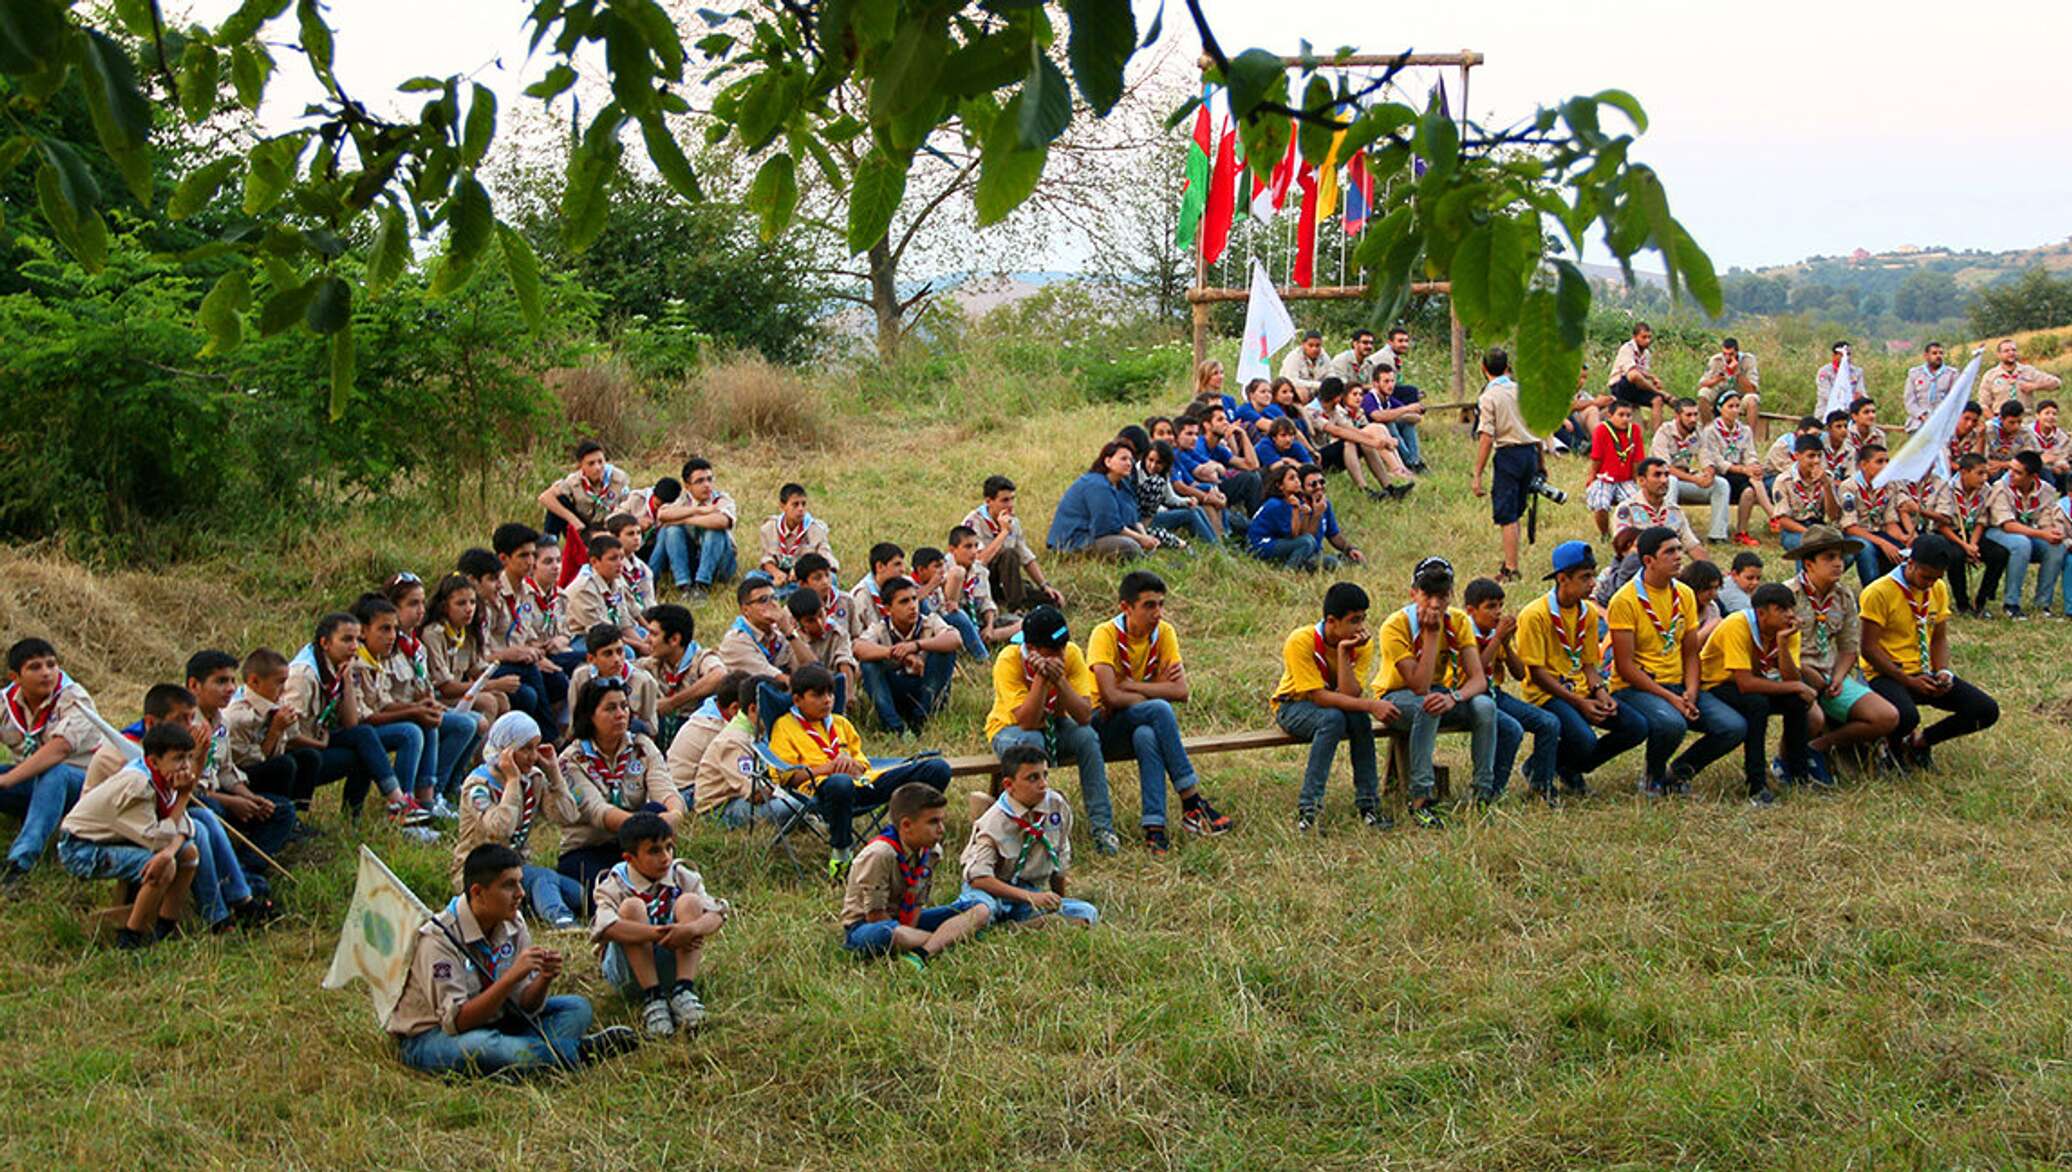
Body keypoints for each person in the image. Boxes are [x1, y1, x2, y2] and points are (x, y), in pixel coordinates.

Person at [388, 842, 639, 1076]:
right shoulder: (439, 939)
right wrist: (511, 977)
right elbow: (458, 1022)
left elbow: (524, 1005)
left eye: (520, 883)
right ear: (478, 892)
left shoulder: (512, 922)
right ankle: (564, 1052)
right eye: (509, 885)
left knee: (576, 1007)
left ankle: (543, 1056)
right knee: (486, 1046)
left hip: (498, 1019)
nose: (520, 893)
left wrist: (543, 979)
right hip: (434, 1035)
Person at [1086, 570, 1232, 854]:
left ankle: (1154, 828)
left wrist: (1132, 686)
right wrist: (1156, 686)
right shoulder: (1104, 634)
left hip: (1136, 720)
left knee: (1147, 736)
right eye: (1149, 605)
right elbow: (1109, 696)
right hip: (1101, 724)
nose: (1158, 613)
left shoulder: (1163, 632)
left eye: (1161, 604)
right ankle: (1192, 801)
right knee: (1160, 709)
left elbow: (1182, 692)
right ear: (1126, 608)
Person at [768, 664, 953, 879]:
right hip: (822, 790)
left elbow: (862, 761)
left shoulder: (841, 723)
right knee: (839, 782)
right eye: (817, 696)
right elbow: (785, 776)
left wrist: (854, 765)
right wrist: (827, 769)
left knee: (937, 768)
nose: (827, 700)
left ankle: (909, 837)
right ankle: (842, 854)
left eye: (830, 694)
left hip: (863, 783)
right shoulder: (785, 727)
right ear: (797, 700)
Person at [1607, 526, 1747, 796]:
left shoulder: (1683, 593)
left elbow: (1691, 652)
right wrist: (1671, 699)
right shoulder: (1624, 600)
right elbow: (1625, 667)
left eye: (1679, 549)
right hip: (1637, 687)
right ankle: (1653, 776)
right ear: (1649, 561)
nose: (1679, 556)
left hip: (1679, 685)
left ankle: (1679, 772)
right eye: (1669, 551)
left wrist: (1691, 691)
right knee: (1672, 723)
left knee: (1733, 727)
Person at [1516, 541, 1649, 798]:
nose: (1593, 583)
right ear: (1563, 579)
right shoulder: (1534, 615)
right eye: (1585, 577)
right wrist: (1579, 703)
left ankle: (1566, 766)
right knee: (1584, 739)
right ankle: (1537, 769)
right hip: (1548, 694)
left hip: (1580, 691)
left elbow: (1589, 664)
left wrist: (1600, 693)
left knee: (1636, 726)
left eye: (1593, 574)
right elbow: (1537, 674)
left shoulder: (1587, 612)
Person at [1373, 558, 1499, 826]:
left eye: (1442, 597)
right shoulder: (1395, 625)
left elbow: (1478, 680)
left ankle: (1483, 793)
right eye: (1427, 595)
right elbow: (1418, 685)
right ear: (1413, 594)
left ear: (1451, 595)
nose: (1434, 604)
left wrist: (1454, 697)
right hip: (1397, 695)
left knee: (1485, 706)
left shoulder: (1459, 621)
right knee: (1426, 706)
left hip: (1441, 692)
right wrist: (1431, 635)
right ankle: (1421, 798)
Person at [983, 605, 1118, 854]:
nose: (1061, 654)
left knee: (1087, 738)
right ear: (1032, 649)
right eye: (1053, 650)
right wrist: (1041, 680)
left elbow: (1084, 715)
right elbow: (1026, 721)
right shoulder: (1009, 660)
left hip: (1054, 724)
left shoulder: (1072, 654)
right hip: (1010, 730)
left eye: (1063, 647)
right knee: (1032, 742)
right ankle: (1032, 829)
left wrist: (1059, 679)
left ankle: (1102, 828)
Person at [1857, 534, 2000, 769]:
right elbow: (1869, 649)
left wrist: (1943, 671)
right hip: (1887, 673)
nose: (1930, 583)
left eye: (1936, 578)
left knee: (1985, 710)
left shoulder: (1938, 588)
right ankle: (1890, 752)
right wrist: (1908, 681)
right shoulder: (1878, 592)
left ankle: (1921, 743)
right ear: (1910, 563)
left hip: (1924, 671)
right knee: (1907, 715)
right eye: (1926, 576)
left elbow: (1939, 638)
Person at [55, 721, 200, 948]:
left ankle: (165, 924)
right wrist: (183, 799)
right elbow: (156, 840)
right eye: (178, 758)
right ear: (153, 760)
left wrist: (170, 851)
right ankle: (132, 937)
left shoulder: (164, 778)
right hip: (80, 848)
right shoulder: (138, 784)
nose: (186, 766)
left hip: (119, 839)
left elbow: (186, 827)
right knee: (164, 867)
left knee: (189, 853)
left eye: (189, 757)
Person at [282, 613, 430, 827]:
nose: (354, 647)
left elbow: (351, 724)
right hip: (300, 754)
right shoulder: (304, 675)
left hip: (317, 741)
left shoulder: (339, 666)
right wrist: (319, 744)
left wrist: (347, 681)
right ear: (325, 643)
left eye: (357, 640)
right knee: (371, 740)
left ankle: (357, 817)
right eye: (346, 640)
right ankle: (398, 804)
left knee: (364, 738)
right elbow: (288, 735)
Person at [589, 812, 727, 1036]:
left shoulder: (681, 875)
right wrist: (657, 934)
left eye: (669, 847)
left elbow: (718, 913)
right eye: (654, 851)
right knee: (631, 908)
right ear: (630, 858)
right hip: (628, 973)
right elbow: (606, 927)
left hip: (672, 962)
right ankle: (653, 999)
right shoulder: (613, 883)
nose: (665, 857)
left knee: (691, 902)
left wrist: (690, 929)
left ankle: (684, 991)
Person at [1275, 581, 1398, 832]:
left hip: (1335, 707)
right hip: (1293, 707)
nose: (1361, 627)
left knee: (1358, 720)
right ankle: (1309, 809)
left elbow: (1350, 693)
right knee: (1333, 718)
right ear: (1331, 621)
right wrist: (1371, 705)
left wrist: (1343, 652)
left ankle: (1369, 806)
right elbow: (1319, 697)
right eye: (1354, 620)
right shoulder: (1301, 640)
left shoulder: (1360, 644)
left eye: (1363, 619)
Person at [453, 711, 594, 927]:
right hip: (482, 873)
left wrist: (554, 773)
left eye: (536, 747)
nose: (534, 756)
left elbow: (568, 816)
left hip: (517, 869)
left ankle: (533, 906)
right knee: (542, 878)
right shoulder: (478, 785)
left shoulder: (532, 779)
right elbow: (500, 829)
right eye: (526, 749)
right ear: (505, 750)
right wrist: (511, 781)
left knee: (580, 895)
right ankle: (561, 921)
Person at [351, 594, 481, 821]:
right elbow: (364, 717)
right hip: (357, 733)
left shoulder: (378, 657)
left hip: (382, 720)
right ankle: (404, 807)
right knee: (411, 731)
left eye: (393, 629)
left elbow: (383, 703)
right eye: (384, 629)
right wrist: (414, 711)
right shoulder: (357, 663)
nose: (391, 636)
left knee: (439, 721)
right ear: (363, 631)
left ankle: (429, 799)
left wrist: (420, 707)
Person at [1780, 526, 1901, 768]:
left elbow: (1848, 647)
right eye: (1829, 558)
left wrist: (1837, 677)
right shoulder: (1786, 596)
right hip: (1791, 673)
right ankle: (1785, 762)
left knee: (1887, 716)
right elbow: (1775, 649)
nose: (1838, 563)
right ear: (1809, 564)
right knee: (1812, 717)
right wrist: (1807, 672)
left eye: (1840, 557)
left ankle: (1819, 747)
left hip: (1830, 675)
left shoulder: (1844, 596)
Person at [840, 782, 990, 968]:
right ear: (906, 825)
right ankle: (946, 941)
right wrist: (939, 934)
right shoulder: (880, 854)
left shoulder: (932, 852)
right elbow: (875, 915)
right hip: (867, 928)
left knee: (979, 909)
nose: (941, 829)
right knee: (893, 933)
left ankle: (924, 949)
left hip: (906, 919)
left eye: (941, 821)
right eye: (933, 822)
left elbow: (917, 902)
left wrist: (912, 930)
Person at [1701, 582, 1821, 804]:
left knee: (1796, 702)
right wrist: (1797, 686)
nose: (1790, 615)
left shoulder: (1787, 631)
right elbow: (1745, 684)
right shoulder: (1737, 624)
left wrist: (1783, 644)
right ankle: (1756, 784)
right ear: (1761, 613)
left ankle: (1799, 775)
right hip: (1716, 684)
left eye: (1791, 609)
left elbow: (1791, 679)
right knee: (1757, 704)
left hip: (1755, 682)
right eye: (1782, 609)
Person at [557, 678, 682, 893]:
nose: (621, 714)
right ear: (590, 715)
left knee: (657, 811)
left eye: (624, 706)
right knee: (603, 891)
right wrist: (646, 828)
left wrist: (675, 814)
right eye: (610, 708)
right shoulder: (572, 759)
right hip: (589, 847)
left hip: (634, 843)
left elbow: (665, 788)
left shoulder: (641, 746)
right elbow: (597, 811)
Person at [955, 746, 1098, 928]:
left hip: (1027, 892)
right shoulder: (993, 822)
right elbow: (978, 879)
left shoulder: (1056, 807)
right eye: (1033, 778)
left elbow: (1059, 861)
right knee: (982, 911)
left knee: (1086, 913)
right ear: (1009, 785)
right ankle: (1005, 925)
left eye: (1045, 775)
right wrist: (1031, 897)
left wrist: (1057, 901)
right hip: (989, 892)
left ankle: (1014, 927)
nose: (1043, 784)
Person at [185, 649, 303, 860]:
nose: (230, 689)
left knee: (282, 810)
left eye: (232, 681)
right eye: (221, 681)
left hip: (218, 791)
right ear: (194, 686)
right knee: (212, 811)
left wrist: (250, 797)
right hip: (194, 802)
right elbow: (189, 791)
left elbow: (226, 771)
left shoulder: (221, 722)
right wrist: (232, 803)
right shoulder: (185, 725)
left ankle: (248, 866)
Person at [1, 637, 100, 884]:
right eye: (35, 667)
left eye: (51, 664)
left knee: (54, 772)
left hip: (85, 789)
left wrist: (6, 780)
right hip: (33, 784)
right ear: (15, 677)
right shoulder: (6, 702)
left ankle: (19, 864)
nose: (46, 673)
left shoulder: (75, 698)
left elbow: (60, 749)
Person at [1462, 576, 1562, 806]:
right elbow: (1474, 672)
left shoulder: (1495, 634)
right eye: (1490, 607)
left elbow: (1519, 674)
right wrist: (1497, 639)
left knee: (1549, 722)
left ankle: (1541, 786)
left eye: (1500, 606)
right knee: (1512, 730)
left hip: (1495, 693)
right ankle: (1490, 792)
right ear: (1471, 610)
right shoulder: (1464, 632)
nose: (1497, 612)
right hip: (1471, 696)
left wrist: (1506, 643)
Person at [689, 674, 806, 828]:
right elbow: (755, 793)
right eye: (773, 711)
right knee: (794, 807)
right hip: (720, 809)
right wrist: (781, 792)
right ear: (753, 709)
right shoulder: (734, 741)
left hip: (743, 798)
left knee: (799, 802)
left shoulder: (757, 732)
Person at [1471, 347, 1544, 582]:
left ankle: (1511, 568)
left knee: (1507, 515)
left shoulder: (1488, 397)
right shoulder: (1523, 391)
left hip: (1508, 455)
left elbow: (1486, 436)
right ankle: (1511, 560)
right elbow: (1537, 427)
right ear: (1507, 368)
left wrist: (1477, 473)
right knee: (1516, 510)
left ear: (1483, 368)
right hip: (1530, 453)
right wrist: (1541, 461)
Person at [854, 576, 960, 736]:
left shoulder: (929, 621)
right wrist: (895, 653)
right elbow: (858, 647)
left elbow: (955, 639)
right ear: (888, 609)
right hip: (896, 692)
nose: (912, 606)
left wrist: (916, 645)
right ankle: (895, 727)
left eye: (914, 599)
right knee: (869, 664)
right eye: (904, 602)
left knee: (945, 651)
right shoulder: (880, 628)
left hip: (927, 691)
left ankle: (921, 720)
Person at [422, 572, 529, 726]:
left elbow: (478, 671)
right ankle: (480, 750)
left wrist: (499, 683)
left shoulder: (468, 632)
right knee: (488, 702)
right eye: (461, 603)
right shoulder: (434, 634)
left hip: (457, 693)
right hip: (437, 697)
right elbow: (446, 688)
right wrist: (495, 684)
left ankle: (498, 744)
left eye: (472, 602)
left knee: (501, 698)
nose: (469, 609)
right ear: (445, 607)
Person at [717, 577, 817, 732]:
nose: (772, 604)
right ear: (745, 610)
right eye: (763, 600)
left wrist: (790, 632)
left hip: (776, 700)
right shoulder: (736, 640)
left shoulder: (778, 633)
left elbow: (812, 667)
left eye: (774, 598)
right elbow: (774, 680)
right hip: (745, 712)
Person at [962, 475, 1065, 612]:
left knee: (1051, 601)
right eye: (1004, 500)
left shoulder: (1012, 521)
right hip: (977, 581)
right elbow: (979, 561)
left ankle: (1015, 599)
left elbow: (1026, 557)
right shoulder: (973, 522)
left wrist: (1045, 585)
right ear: (989, 501)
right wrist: (1003, 533)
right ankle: (1016, 608)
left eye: (1012, 499)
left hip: (1005, 581)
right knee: (1008, 554)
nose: (1010, 505)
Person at [1982, 451, 2066, 620]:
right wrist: (2042, 533)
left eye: (2018, 472)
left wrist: (2053, 533)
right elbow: (2008, 525)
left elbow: (2046, 522)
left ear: (2033, 476)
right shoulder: (2001, 487)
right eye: (2011, 469)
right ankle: (2011, 603)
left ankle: (2043, 604)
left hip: (2029, 533)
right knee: (2021, 544)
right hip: (1998, 533)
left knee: (2056, 547)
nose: (2011, 475)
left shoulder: (2046, 490)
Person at [1306, 377, 1413, 501]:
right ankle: (1364, 490)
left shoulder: (1333, 410)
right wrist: (1374, 441)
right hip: (1317, 457)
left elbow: (1352, 429)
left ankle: (1389, 487)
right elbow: (1337, 431)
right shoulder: (1312, 411)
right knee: (1349, 442)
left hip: (1329, 451)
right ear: (1337, 397)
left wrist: (1376, 442)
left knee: (1363, 443)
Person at [639, 603, 728, 750]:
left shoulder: (700, 658)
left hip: (695, 738)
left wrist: (672, 703)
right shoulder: (655, 662)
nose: (647, 640)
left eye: (653, 634)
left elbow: (719, 675)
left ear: (674, 639)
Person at [1046, 441, 1157, 559]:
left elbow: (1132, 517)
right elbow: (1110, 526)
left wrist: (1144, 536)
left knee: (1136, 540)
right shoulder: (1097, 485)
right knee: (1130, 546)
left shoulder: (1122, 483)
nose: (1129, 463)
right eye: (1123, 459)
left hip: (1096, 534)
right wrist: (1140, 539)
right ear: (1108, 461)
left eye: (1131, 460)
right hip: (1074, 541)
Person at [1934, 454, 2011, 617]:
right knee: (1956, 555)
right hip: (1950, 532)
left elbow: (1981, 521)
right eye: (1979, 473)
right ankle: (1962, 603)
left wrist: (1973, 545)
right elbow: (1941, 524)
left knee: (1999, 553)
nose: (1984, 478)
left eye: (1986, 473)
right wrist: (1965, 546)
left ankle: (1982, 600)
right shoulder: (1946, 488)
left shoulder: (1985, 490)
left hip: (1972, 532)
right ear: (1964, 472)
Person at [649, 457, 738, 597]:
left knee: (714, 531)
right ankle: (684, 585)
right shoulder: (683, 499)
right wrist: (698, 511)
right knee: (671, 531)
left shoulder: (721, 499)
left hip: (721, 566)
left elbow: (721, 521)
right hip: (694, 562)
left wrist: (684, 519)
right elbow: (663, 514)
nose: (707, 485)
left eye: (709, 479)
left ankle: (702, 586)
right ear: (687, 486)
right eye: (700, 481)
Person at [1653, 397, 1733, 545]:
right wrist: (1695, 480)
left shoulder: (1697, 433)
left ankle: (1718, 535)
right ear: (1677, 416)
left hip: (1686, 479)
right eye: (1688, 415)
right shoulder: (1664, 432)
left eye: (1695, 414)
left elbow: (1706, 457)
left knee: (1721, 484)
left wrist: (1709, 474)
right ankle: (1669, 534)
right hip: (1663, 483)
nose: (1693, 419)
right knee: (1670, 481)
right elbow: (1665, 468)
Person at [565, 623, 662, 737]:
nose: (616, 659)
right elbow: (575, 723)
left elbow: (651, 729)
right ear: (591, 659)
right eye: (608, 654)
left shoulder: (643, 681)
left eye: (620, 651)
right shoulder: (581, 677)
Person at [536, 440, 631, 552]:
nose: (598, 467)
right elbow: (544, 497)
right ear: (581, 466)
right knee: (558, 501)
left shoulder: (618, 478)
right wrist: (573, 520)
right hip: (583, 527)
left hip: (609, 527)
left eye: (601, 461)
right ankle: (549, 548)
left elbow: (628, 506)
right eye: (591, 464)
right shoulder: (574, 481)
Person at [1707, 393, 1772, 546]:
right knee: (1752, 478)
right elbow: (1717, 462)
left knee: (1750, 489)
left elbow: (1750, 453)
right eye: (1730, 406)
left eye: (1737, 406)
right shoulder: (1710, 431)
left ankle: (1742, 532)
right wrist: (1744, 469)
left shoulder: (1745, 430)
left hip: (1742, 474)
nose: (1735, 410)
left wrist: (1753, 466)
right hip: (1721, 474)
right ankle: (1773, 514)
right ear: (1720, 409)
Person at [942, 527, 1019, 655]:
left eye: (976, 546)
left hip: (978, 621)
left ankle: (987, 637)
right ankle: (973, 642)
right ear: (952, 549)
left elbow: (986, 602)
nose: (973, 551)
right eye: (967, 547)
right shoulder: (944, 570)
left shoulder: (980, 570)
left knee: (1023, 623)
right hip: (954, 623)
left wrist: (989, 627)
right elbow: (944, 608)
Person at [1614, 459, 1710, 561]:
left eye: (1666, 475)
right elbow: (1624, 548)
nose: (1664, 480)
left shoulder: (1674, 511)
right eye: (1657, 475)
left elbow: (1692, 546)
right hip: (1637, 569)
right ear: (1642, 481)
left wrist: (1711, 571)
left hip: (1669, 570)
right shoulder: (1627, 509)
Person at [785, 589, 859, 716]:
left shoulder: (838, 633)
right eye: (810, 621)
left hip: (830, 690)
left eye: (821, 615)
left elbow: (844, 662)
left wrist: (849, 693)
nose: (819, 623)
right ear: (797, 622)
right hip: (802, 694)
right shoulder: (790, 640)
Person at [1134, 438, 1219, 545]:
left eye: (1159, 463)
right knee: (1190, 515)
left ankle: (1216, 542)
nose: (1153, 466)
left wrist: (1187, 501)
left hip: (1155, 514)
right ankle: (1214, 546)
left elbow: (1170, 498)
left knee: (1196, 509)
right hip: (1141, 520)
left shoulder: (1162, 475)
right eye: (1150, 460)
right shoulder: (1136, 473)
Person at [755, 482, 836, 591]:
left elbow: (826, 559)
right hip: (779, 576)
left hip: (805, 578)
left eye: (803, 504)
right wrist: (776, 573)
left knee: (831, 579)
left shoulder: (816, 529)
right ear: (782, 506)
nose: (801, 509)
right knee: (752, 577)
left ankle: (780, 593)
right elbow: (767, 558)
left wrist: (801, 572)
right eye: (795, 504)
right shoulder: (769, 528)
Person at [1245, 464, 1324, 571]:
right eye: (1292, 478)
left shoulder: (1295, 501)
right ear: (1280, 485)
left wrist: (1305, 515)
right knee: (1307, 542)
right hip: (1260, 545)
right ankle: (1288, 571)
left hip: (1277, 543)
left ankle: (1299, 565)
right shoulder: (1275, 504)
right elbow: (1293, 535)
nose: (1297, 481)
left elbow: (1303, 533)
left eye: (1297, 478)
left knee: (1325, 559)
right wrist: (1296, 510)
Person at [1586, 399, 1645, 540]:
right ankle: (1605, 534)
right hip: (1605, 478)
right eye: (1621, 415)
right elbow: (1596, 458)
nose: (1625, 419)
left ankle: (1639, 533)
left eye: (1629, 415)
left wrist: (1637, 480)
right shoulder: (1601, 430)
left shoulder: (1635, 430)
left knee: (1638, 505)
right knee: (1601, 505)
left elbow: (1638, 459)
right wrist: (1592, 477)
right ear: (1610, 415)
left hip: (1625, 479)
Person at [1771, 435, 1840, 552]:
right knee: (1808, 547)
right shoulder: (1784, 480)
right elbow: (1782, 519)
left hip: (1819, 526)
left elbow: (1833, 516)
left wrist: (1827, 486)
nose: (1816, 461)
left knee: (1843, 552)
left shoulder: (1827, 477)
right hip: (1794, 529)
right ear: (1797, 456)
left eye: (1819, 455)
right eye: (1811, 456)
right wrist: (1809, 533)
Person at [1359, 365, 1429, 473]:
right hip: (1371, 438)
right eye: (1386, 381)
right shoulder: (1369, 398)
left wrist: (1401, 414)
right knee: (1389, 422)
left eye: (1392, 381)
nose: (1390, 385)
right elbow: (1378, 416)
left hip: (1387, 437)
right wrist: (1405, 409)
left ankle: (1414, 460)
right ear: (1375, 383)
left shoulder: (1388, 399)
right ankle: (1410, 461)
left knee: (1407, 423)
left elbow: (1416, 418)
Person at [1978, 337, 2063, 416]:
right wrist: (1995, 421)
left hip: (2025, 418)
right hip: (2001, 418)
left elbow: (2056, 383)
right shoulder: (1990, 376)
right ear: (1999, 354)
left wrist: (2034, 386)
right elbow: (1983, 404)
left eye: (2014, 350)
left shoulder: (2028, 371)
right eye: (2006, 351)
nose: (2011, 353)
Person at [1608, 321, 1668, 431]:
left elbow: (1643, 375)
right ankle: (1658, 392)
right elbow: (1633, 372)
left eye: (1649, 337)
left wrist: (1652, 379)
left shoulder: (1646, 354)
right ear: (1635, 337)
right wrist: (1652, 379)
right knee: (1634, 375)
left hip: (1635, 387)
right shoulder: (1627, 348)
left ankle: (1657, 435)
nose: (1647, 341)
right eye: (1644, 337)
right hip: (1620, 386)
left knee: (1658, 400)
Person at [1301, 463, 1365, 565]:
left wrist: (1350, 549)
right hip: (1303, 556)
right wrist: (1317, 514)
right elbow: (1305, 542)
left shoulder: (1325, 504)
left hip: (1318, 554)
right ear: (1302, 488)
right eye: (1313, 484)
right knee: (1331, 562)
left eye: (1322, 482)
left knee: (1355, 559)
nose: (1319, 487)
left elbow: (1333, 535)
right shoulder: (1298, 507)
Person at [1696, 337, 1761, 428]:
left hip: (1740, 398)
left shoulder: (1748, 360)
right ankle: (1709, 431)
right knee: (1703, 393)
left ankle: (1750, 437)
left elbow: (1752, 390)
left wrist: (1737, 373)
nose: (1727, 358)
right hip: (1719, 397)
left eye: (1731, 354)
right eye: (1725, 354)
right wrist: (1717, 379)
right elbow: (1702, 384)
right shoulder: (1716, 360)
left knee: (1752, 399)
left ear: (1737, 352)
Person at [1903, 341, 1958, 432]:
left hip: (1942, 422)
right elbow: (1909, 401)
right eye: (1934, 353)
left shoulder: (1951, 374)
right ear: (1926, 356)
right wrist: (1922, 416)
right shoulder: (1915, 374)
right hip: (1918, 422)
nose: (1938, 356)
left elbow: (1954, 400)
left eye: (1941, 353)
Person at [1764, 416, 1822, 494]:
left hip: (1804, 477)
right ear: (1800, 433)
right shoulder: (1782, 446)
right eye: (1813, 435)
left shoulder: (1815, 447)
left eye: (1818, 436)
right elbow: (1791, 470)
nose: (1815, 439)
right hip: (1775, 477)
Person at [2033, 400, 2071, 491]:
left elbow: (2063, 456)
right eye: (2047, 413)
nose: (2051, 417)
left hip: (2056, 470)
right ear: (2037, 415)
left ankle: (2065, 502)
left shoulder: (2061, 436)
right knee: (2046, 474)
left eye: (2054, 414)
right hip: (2035, 470)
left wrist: (2062, 465)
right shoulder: (2028, 433)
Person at [1280, 330, 1330, 395]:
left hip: (1316, 390)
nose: (1314, 349)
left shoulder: (1324, 356)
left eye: (1317, 345)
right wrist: (1317, 385)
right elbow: (1293, 381)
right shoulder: (1293, 357)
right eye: (1310, 345)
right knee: (1302, 393)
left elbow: (1330, 373)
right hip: (1291, 391)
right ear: (1303, 345)